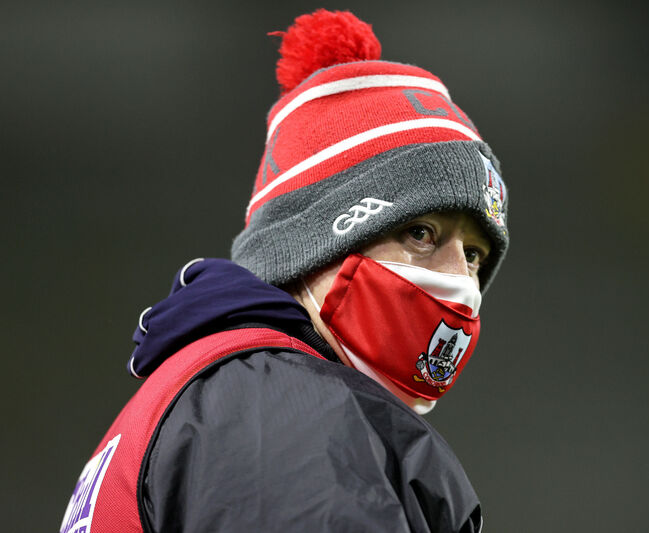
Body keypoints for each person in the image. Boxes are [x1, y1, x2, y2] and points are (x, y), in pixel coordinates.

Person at [60, 9, 509, 533]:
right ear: (311, 246)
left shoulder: (225, 390)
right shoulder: (286, 410)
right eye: (421, 233)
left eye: (475, 254)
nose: (461, 281)